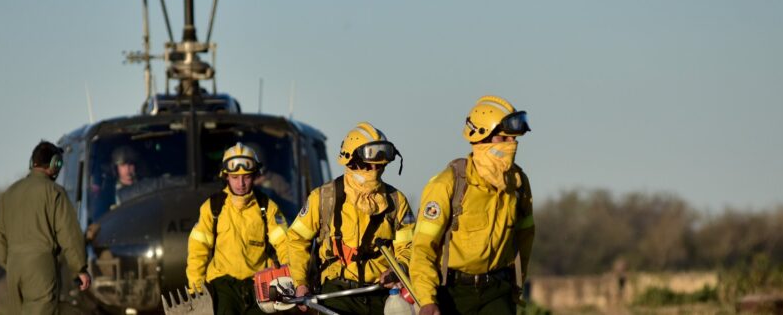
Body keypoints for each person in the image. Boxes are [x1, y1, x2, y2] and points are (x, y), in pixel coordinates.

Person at [410, 96, 536, 315]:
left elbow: (525, 240)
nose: (512, 145)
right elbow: (422, 249)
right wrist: (426, 299)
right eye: (504, 139)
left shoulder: (518, 184)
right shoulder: (447, 184)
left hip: (498, 291)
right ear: (481, 138)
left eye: (514, 139)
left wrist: (517, 286)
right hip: (452, 292)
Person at [286, 122, 415, 315]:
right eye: (369, 164)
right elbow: (297, 239)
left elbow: (409, 246)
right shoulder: (323, 198)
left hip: (382, 295)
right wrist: (301, 284)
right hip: (336, 295)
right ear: (351, 161)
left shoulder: (397, 201)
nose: (375, 169)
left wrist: (399, 269)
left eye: (380, 165)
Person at [186, 143, 291, 315]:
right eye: (235, 177)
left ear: (255, 176)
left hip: (260, 286)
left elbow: (284, 243)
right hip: (222, 287)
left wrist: (289, 275)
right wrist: (196, 289)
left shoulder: (268, 207)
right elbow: (198, 250)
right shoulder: (212, 207)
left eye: (246, 177)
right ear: (226, 176)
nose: (241, 183)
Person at [0, 140, 91, 315]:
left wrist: (11, 264)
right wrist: (80, 269)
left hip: (14, 268)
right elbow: (68, 233)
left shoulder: (9, 193)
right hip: (40, 267)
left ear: (33, 163)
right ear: (55, 164)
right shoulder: (54, 192)